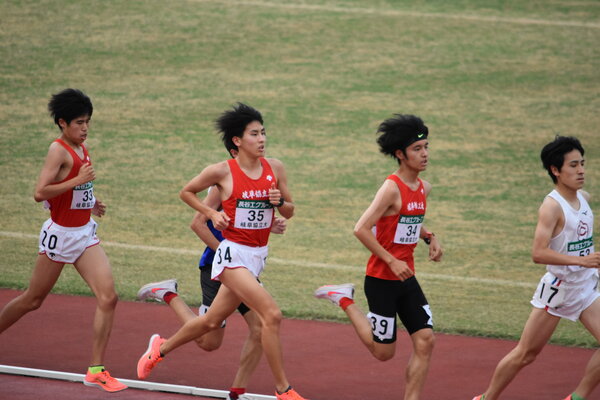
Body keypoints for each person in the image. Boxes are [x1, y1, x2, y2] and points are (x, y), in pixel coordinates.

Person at [136, 103, 307, 400]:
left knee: (211, 323)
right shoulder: (221, 172)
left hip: (256, 257)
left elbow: (290, 212)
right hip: (231, 256)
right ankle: (284, 390)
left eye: (263, 132)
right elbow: (186, 192)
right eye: (254, 134)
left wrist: (280, 203)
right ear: (237, 141)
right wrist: (211, 214)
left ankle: (159, 350)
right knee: (272, 315)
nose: (262, 139)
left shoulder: (275, 168)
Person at [0, 89, 127, 392]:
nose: (85, 128)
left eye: (88, 122)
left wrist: (90, 201)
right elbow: (40, 193)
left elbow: (73, 189)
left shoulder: (83, 147)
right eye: (79, 123)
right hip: (60, 236)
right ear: (62, 123)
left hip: (84, 233)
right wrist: (77, 181)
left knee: (109, 297)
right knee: (33, 299)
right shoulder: (58, 150)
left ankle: (96, 370)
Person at [314, 114, 443, 400]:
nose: (424, 154)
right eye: (417, 149)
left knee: (425, 341)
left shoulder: (424, 188)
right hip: (381, 279)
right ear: (400, 154)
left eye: (426, 147)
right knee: (384, 353)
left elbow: (409, 219)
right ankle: (344, 299)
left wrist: (430, 237)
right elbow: (360, 229)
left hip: (407, 278)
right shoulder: (391, 188)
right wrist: (391, 260)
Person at [472, 136, 600, 400]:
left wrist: (587, 263)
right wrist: (581, 261)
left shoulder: (582, 198)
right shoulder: (552, 207)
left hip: (586, 287)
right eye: (573, 165)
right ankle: (486, 398)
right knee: (525, 354)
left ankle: (577, 397)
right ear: (555, 170)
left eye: (582, 164)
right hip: (559, 290)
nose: (581, 170)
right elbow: (538, 253)